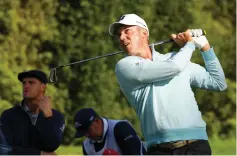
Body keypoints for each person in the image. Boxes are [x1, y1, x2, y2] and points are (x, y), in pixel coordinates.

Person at [108, 14, 227, 155]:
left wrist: (205, 47)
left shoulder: (175, 58)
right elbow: (174, 67)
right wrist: (189, 44)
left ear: (144, 33)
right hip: (159, 149)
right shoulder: (124, 66)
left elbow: (218, 83)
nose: (121, 38)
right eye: (119, 34)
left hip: (195, 146)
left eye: (127, 31)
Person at [0, 70, 65, 155]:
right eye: (24, 83)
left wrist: (48, 117)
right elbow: (4, 149)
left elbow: (52, 145)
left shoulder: (57, 116)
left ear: (43, 87)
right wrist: (39, 153)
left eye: (31, 83)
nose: (26, 86)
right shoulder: (8, 115)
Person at [74, 108, 146, 155]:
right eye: (84, 133)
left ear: (97, 121)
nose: (87, 135)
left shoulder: (121, 128)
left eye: (88, 130)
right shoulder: (86, 145)